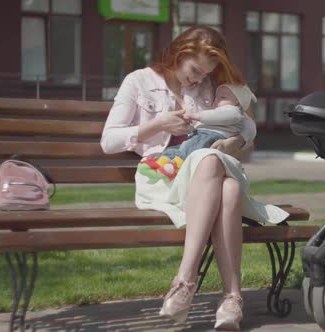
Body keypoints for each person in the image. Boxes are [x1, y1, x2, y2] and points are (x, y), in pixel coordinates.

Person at [100, 25, 255, 330]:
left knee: (222, 175)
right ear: (180, 53)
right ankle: (224, 296)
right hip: (162, 176)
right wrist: (157, 125)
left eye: (205, 74)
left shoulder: (211, 89)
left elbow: (245, 131)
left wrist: (235, 143)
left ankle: (192, 287)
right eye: (195, 69)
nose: (198, 79)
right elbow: (108, 141)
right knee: (225, 181)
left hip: (204, 176)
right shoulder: (139, 81)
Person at [138, 83, 256, 182]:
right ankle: (161, 163)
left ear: (238, 103)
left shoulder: (234, 112)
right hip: (200, 135)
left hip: (212, 137)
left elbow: (216, 116)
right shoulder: (223, 110)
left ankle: (174, 168)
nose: (216, 100)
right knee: (180, 148)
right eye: (216, 97)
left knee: (190, 150)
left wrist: (196, 116)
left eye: (223, 97)